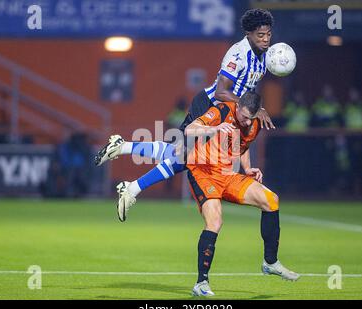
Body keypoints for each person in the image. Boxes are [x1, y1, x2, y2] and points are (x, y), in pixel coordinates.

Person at [95, 9, 276, 220]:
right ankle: (132, 186)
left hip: (227, 113)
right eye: (260, 35)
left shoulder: (265, 58)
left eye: (268, 35)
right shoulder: (238, 54)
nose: (265, 40)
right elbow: (221, 91)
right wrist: (254, 108)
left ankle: (124, 152)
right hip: (209, 106)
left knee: (179, 154)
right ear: (248, 34)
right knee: (184, 157)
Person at [184, 92, 299, 296]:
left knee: (271, 200)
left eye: (251, 118)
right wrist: (215, 127)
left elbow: (243, 147)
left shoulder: (253, 124)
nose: (247, 122)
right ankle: (201, 283)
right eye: (244, 116)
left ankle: (270, 262)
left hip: (228, 174)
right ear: (238, 107)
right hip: (203, 172)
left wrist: (248, 169)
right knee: (215, 222)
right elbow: (189, 129)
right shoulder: (222, 111)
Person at [343, 87, 362, 194]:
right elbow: (344, 121)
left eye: (354, 94)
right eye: (351, 94)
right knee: (352, 163)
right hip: (351, 137)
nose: (353, 96)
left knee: (361, 163)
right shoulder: (348, 107)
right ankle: (351, 188)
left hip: (361, 137)